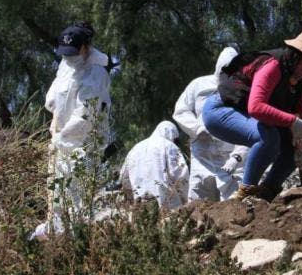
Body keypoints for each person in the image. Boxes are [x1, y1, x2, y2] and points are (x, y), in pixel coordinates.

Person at [202, 28, 302, 200]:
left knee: (294, 148)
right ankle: (246, 193)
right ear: (296, 54)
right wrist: (292, 122)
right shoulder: (273, 65)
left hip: (249, 118)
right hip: (221, 110)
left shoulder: (301, 83)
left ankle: (266, 193)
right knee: (268, 137)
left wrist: (299, 140)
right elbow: (256, 107)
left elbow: (297, 111)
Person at [32, 22, 112, 240]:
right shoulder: (65, 68)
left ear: (86, 48)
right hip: (60, 144)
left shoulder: (95, 74)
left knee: (78, 200)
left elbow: (85, 116)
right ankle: (56, 240)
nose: (69, 57)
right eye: (64, 54)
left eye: (73, 52)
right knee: (56, 198)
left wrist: (62, 135)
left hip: (82, 146)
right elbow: (50, 100)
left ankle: (78, 244)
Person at [173, 47, 249, 201]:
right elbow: (181, 110)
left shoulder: (243, 90)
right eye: (224, 70)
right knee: (199, 200)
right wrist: (196, 128)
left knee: (233, 201)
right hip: (202, 152)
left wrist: (237, 157)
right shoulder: (198, 85)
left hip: (229, 154)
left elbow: (249, 127)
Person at [119, 121, 189, 209]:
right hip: (169, 208)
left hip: (141, 207)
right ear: (172, 134)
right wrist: (187, 201)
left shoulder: (135, 148)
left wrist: (132, 198)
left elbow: (124, 178)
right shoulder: (170, 146)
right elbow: (181, 176)